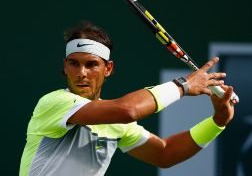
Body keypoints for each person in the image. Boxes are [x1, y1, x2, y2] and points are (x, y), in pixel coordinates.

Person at [19, 21, 235, 176]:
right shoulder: (54, 103)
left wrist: (217, 122)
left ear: (108, 68)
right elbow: (128, 110)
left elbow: (165, 153)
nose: (81, 72)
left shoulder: (113, 121)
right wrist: (184, 86)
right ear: (65, 66)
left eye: (91, 64)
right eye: (74, 63)